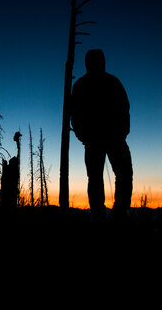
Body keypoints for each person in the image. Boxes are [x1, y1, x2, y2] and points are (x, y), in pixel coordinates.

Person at [71, 49, 133, 221]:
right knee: (98, 177)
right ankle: (100, 213)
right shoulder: (82, 85)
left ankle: (119, 210)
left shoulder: (111, 82)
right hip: (96, 141)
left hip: (114, 138)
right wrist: (83, 136)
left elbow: (124, 108)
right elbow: (75, 114)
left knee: (122, 173)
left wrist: (122, 132)